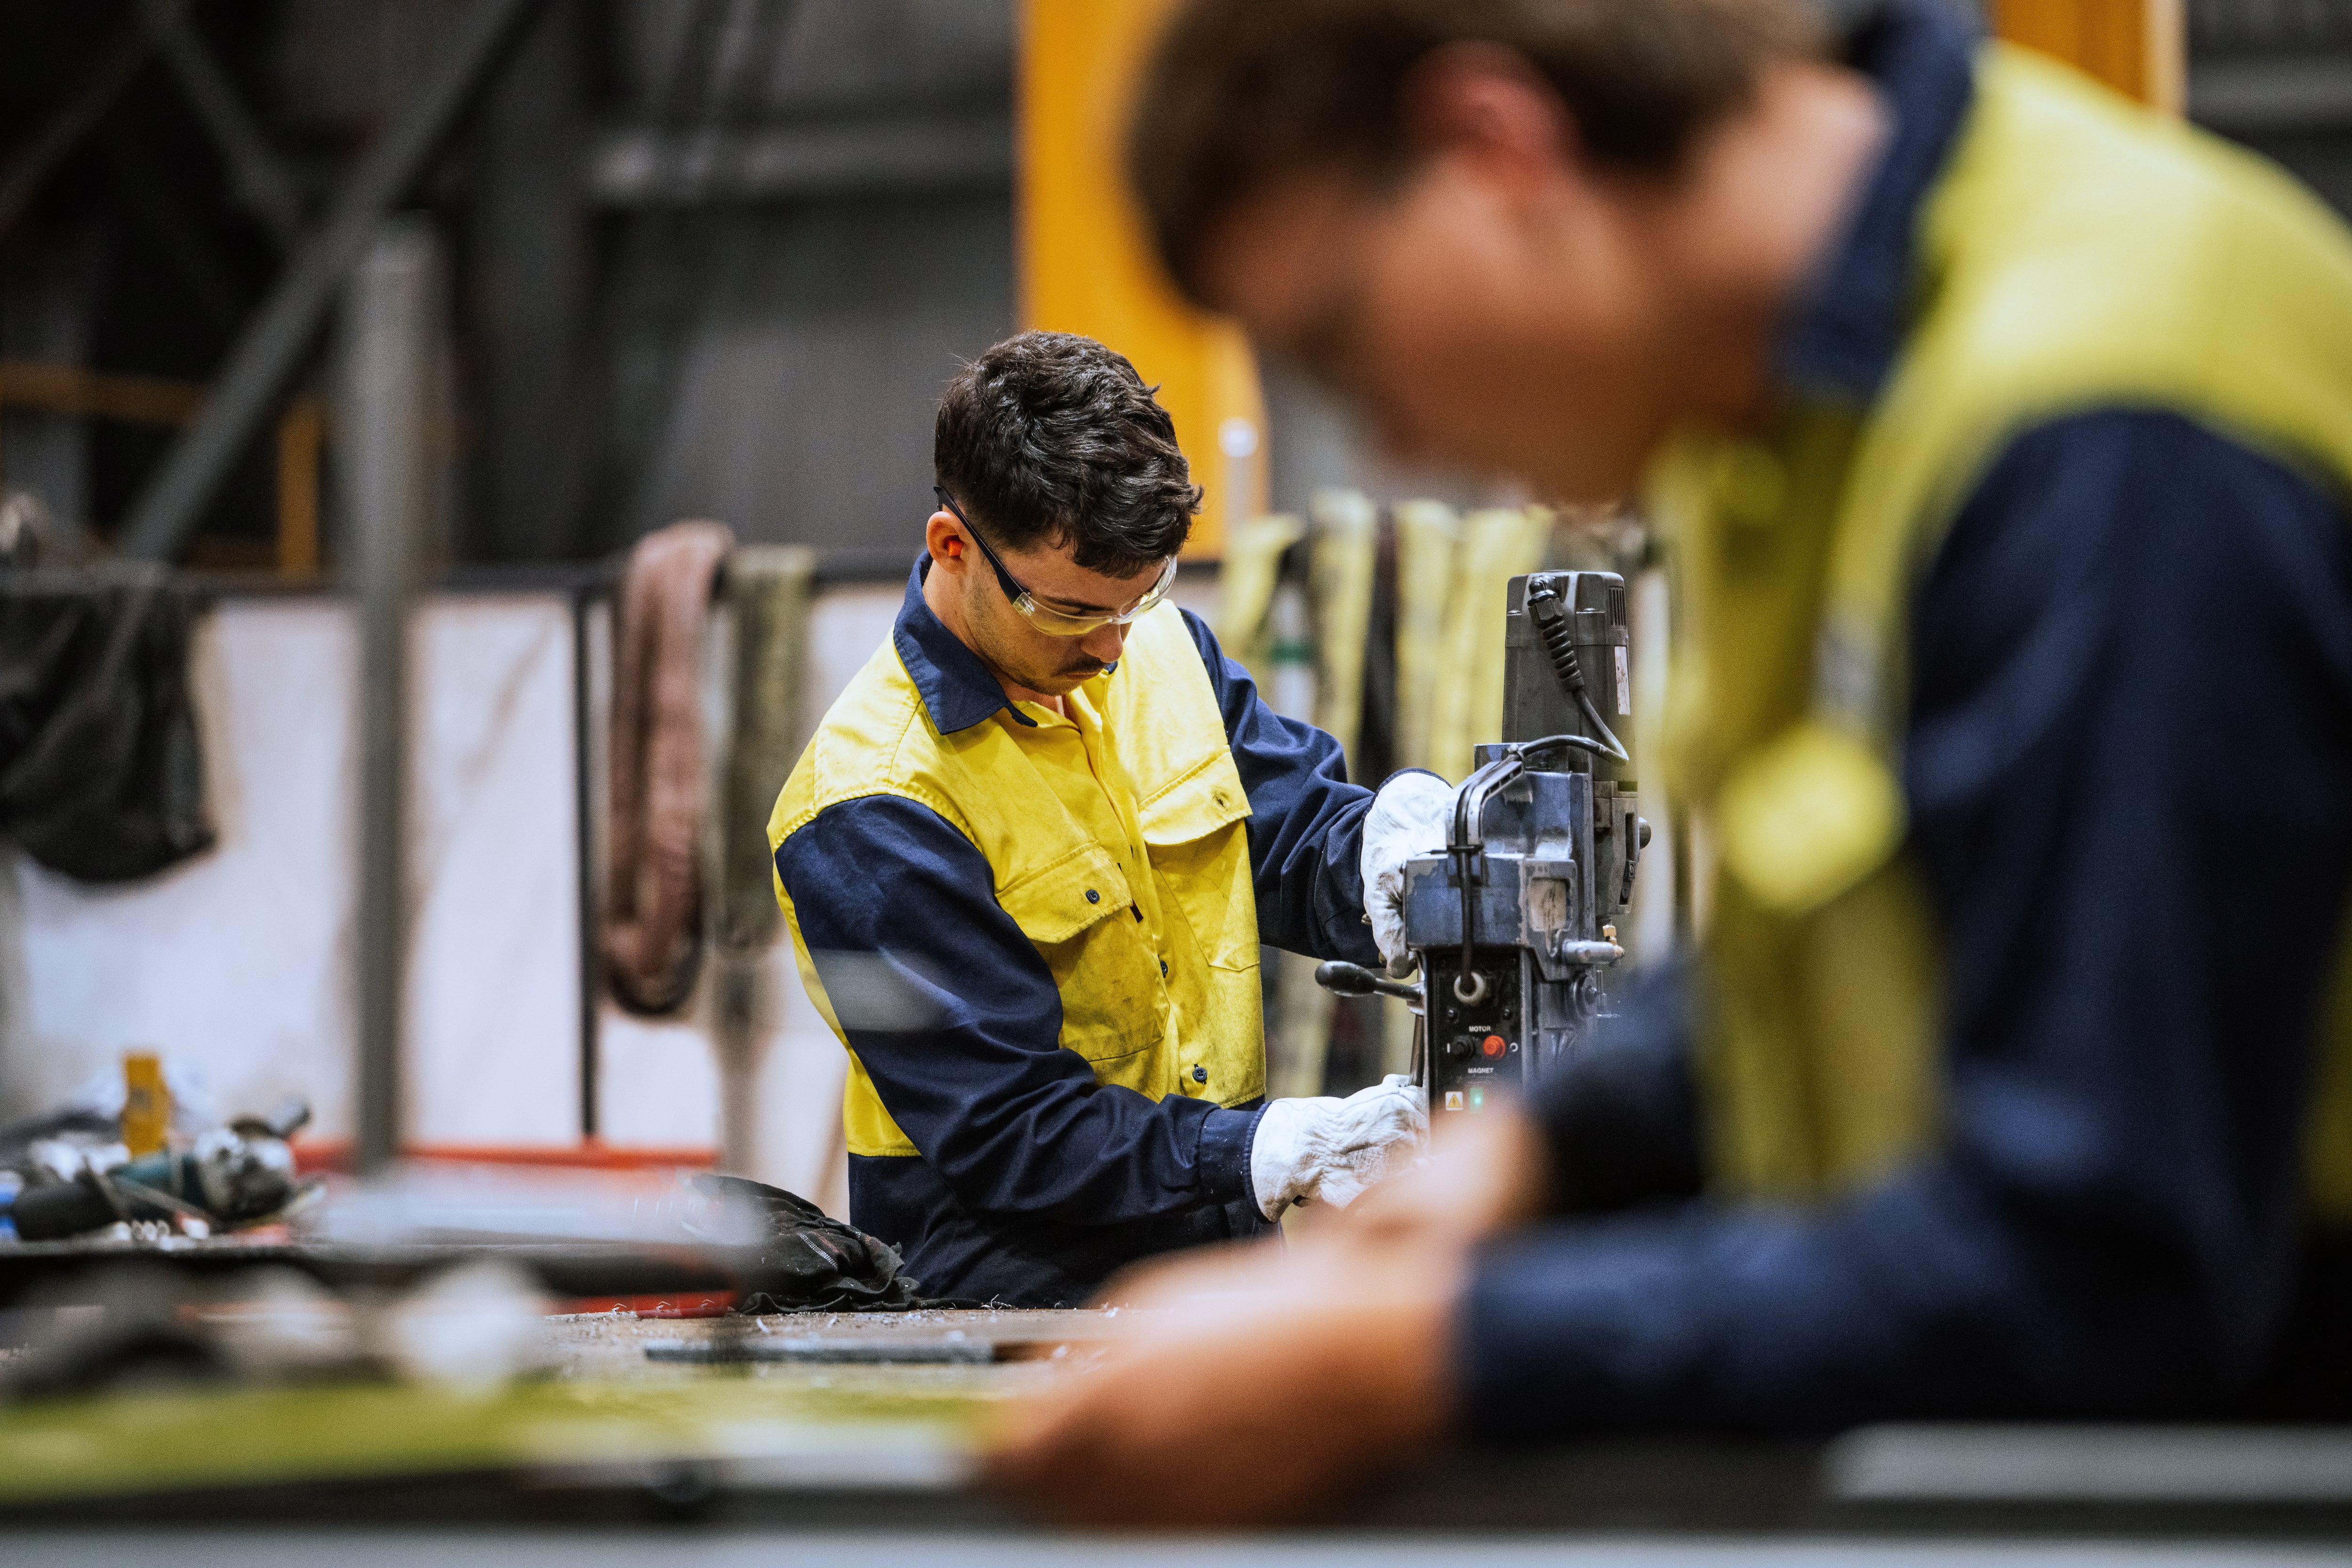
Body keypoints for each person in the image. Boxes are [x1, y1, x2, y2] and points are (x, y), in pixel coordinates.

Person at [984, 0, 2352, 1525]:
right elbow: (1859, 932)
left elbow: (2100, 1262)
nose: (1384, 438)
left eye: (1339, 338)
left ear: (1494, 145)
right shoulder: (1781, 431)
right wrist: (1542, 1154)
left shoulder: (2105, 426)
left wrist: (1428, 1352)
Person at [767, 329, 1443, 1307]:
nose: (1115, 644)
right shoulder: (870, 805)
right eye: (1073, 612)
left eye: (1145, 594)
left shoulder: (1156, 645)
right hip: (1013, 1299)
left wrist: (1394, 853)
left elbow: (1283, 832)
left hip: (1214, 1249)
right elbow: (1014, 1128)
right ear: (955, 549)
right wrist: (1265, 1145)